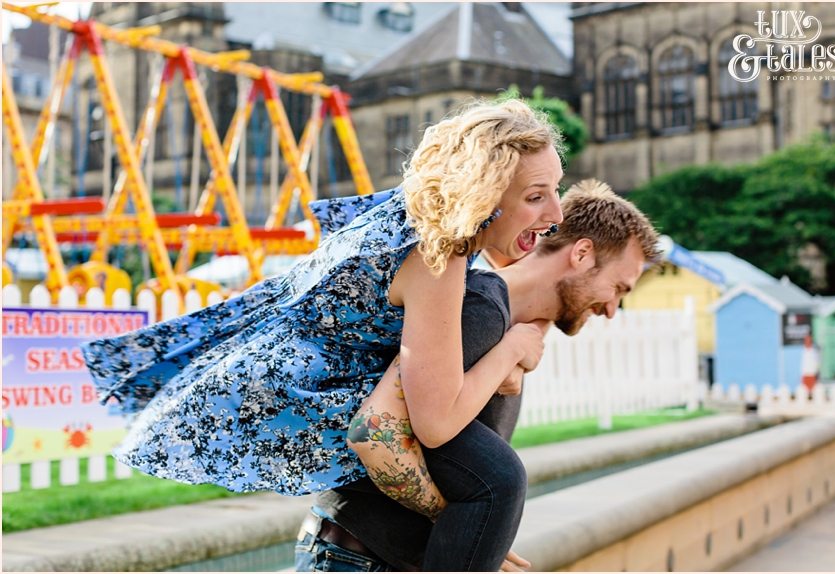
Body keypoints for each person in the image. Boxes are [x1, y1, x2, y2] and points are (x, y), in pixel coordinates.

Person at [80, 99, 561, 507]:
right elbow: (435, 422)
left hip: (265, 369)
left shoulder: (417, 212)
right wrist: (512, 348)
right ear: (482, 195)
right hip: (290, 392)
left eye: (555, 190)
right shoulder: (436, 253)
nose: (556, 214)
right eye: (536, 197)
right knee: (493, 479)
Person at [295, 179, 661, 572]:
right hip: (358, 560)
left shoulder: (510, 319)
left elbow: (537, 287)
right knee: (501, 479)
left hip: (371, 557)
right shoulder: (480, 308)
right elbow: (373, 433)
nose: (612, 309)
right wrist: (471, 524)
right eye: (617, 288)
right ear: (582, 253)